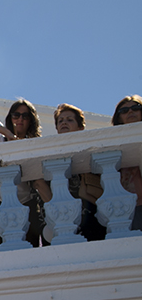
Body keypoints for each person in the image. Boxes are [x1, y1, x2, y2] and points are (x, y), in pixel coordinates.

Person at [0, 99, 52, 251]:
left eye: (25, 116)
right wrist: (8, 133)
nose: (20, 119)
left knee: (29, 253)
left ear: (31, 121)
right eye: (16, 115)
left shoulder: (34, 146)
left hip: (27, 203)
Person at [54, 104, 105, 241]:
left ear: (80, 127)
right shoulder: (51, 157)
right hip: (64, 221)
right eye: (61, 120)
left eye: (70, 120)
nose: (64, 122)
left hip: (93, 220)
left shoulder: (92, 152)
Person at [111, 94, 142, 230]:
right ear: (119, 118)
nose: (130, 112)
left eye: (135, 108)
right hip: (130, 206)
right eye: (124, 111)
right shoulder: (113, 142)